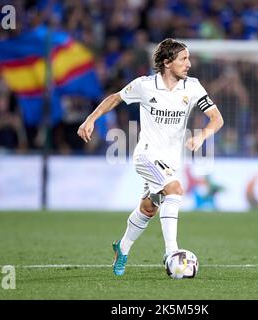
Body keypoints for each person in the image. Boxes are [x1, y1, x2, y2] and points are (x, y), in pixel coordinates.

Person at [77, 38, 224, 276]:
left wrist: (202, 136)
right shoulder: (145, 86)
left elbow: (217, 119)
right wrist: (90, 119)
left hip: (171, 161)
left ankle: (122, 248)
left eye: (188, 58)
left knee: (149, 208)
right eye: (183, 59)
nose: (189, 63)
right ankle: (171, 253)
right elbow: (115, 97)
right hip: (146, 156)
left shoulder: (193, 87)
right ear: (167, 62)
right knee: (174, 190)